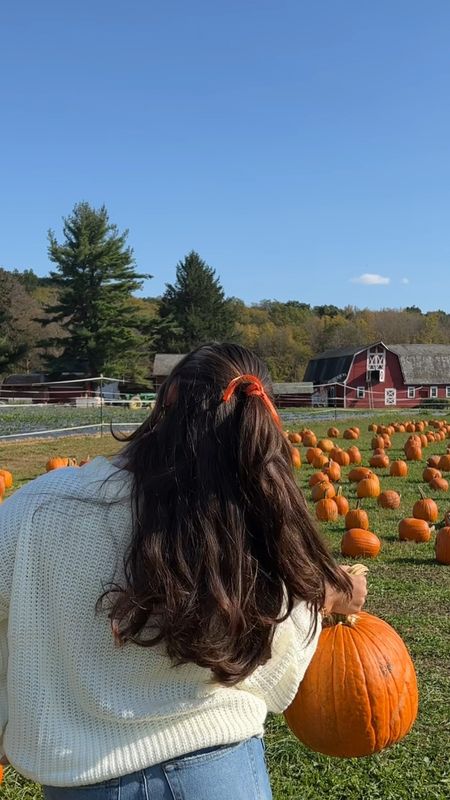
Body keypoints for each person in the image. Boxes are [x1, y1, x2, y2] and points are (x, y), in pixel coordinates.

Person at [0, 343, 367, 799]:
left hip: (80, 782)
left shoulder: (41, 506)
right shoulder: (247, 515)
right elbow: (278, 647)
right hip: (221, 774)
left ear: (165, 400)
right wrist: (328, 597)